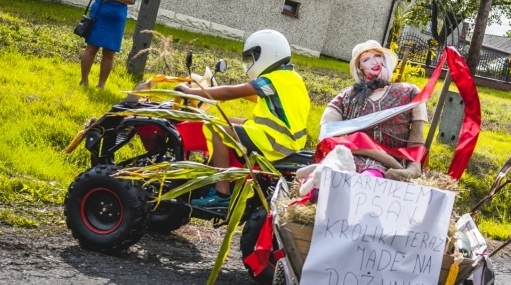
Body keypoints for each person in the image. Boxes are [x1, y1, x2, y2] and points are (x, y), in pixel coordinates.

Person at [175, 29, 310, 208]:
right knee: (230, 121)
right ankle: (226, 168)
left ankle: (222, 193)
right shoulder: (291, 77)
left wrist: (190, 92)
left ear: (266, 53)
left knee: (218, 130)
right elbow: (255, 96)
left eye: (251, 58)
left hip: (275, 141)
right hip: (287, 140)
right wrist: (218, 92)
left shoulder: (271, 80)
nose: (249, 63)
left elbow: (232, 91)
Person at [320, 40, 427, 180]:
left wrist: (413, 168)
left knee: (369, 178)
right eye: (366, 59)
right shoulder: (346, 97)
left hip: (390, 165)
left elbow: (417, 137)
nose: (374, 62)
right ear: (360, 67)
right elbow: (327, 133)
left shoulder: (409, 92)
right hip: (352, 157)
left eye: (377, 55)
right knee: (324, 176)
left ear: (383, 58)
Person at [80, 0, 137, 89]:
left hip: (117, 22)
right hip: (99, 18)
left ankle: (101, 85)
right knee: (91, 48)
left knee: (109, 53)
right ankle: (84, 80)